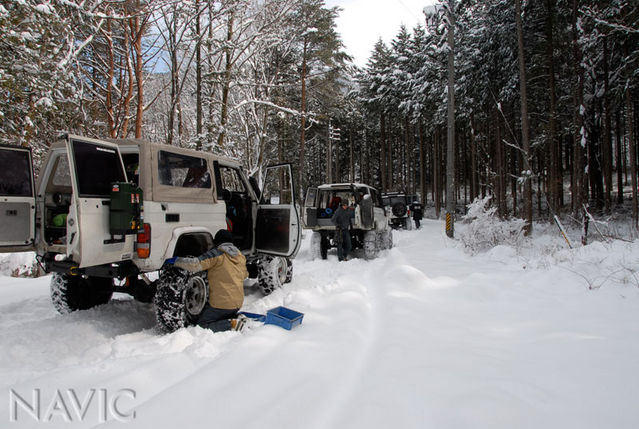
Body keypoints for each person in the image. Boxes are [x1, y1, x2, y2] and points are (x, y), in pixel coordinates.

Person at [165, 229, 248, 332]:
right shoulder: (240, 257)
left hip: (222, 305)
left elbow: (195, 264)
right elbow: (244, 275)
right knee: (223, 312)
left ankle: (231, 324)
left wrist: (176, 261)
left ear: (217, 241)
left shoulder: (216, 254)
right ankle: (237, 316)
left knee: (202, 325)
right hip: (238, 303)